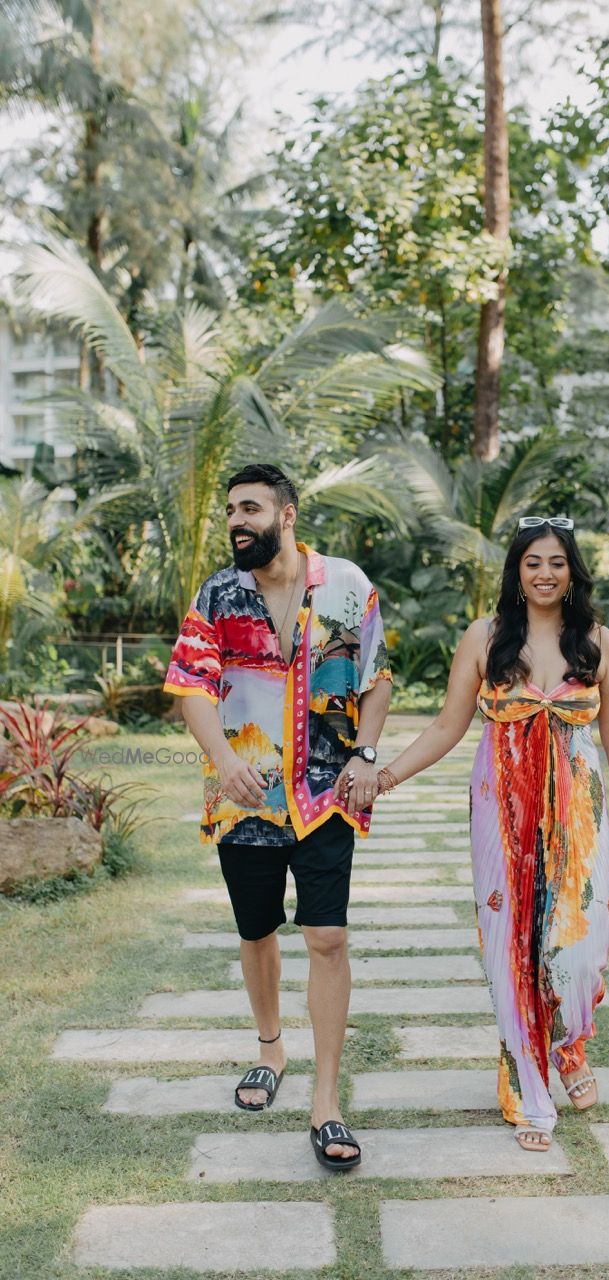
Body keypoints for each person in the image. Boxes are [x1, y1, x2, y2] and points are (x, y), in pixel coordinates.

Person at [343, 516, 609, 1151]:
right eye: (532, 562)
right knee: (512, 948)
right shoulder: (485, 637)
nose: (544, 573)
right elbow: (448, 726)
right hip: (501, 814)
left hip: (579, 818)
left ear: (572, 572)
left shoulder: (597, 641)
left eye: (556, 563)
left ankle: (568, 1047)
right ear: (516, 570)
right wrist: (385, 775)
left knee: (577, 951)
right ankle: (528, 1089)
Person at [164, 463, 392, 1171]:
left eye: (250, 509)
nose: (236, 521)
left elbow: (376, 679)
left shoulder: (348, 587)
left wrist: (366, 754)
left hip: (327, 793)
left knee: (326, 936)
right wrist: (221, 760)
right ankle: (270, 1047)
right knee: (256, 929)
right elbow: (189, 685)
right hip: (246, 797)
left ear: (286, 515)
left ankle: (325, 1101)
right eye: (231, 510)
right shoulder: (217, 593)